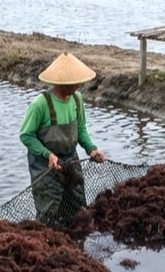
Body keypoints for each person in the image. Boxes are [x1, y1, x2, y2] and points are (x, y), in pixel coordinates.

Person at [20, 52, 107, 227]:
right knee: (49, 212)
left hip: (70, 160)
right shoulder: (40, 104)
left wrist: (91, 149)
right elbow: (26, 135)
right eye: (75, 83)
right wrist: (48, 154)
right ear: (62, 83)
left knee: (77, 207)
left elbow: (81, 129)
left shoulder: (77, 99)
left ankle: (77, 245)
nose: (79, 86)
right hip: (45, 165)